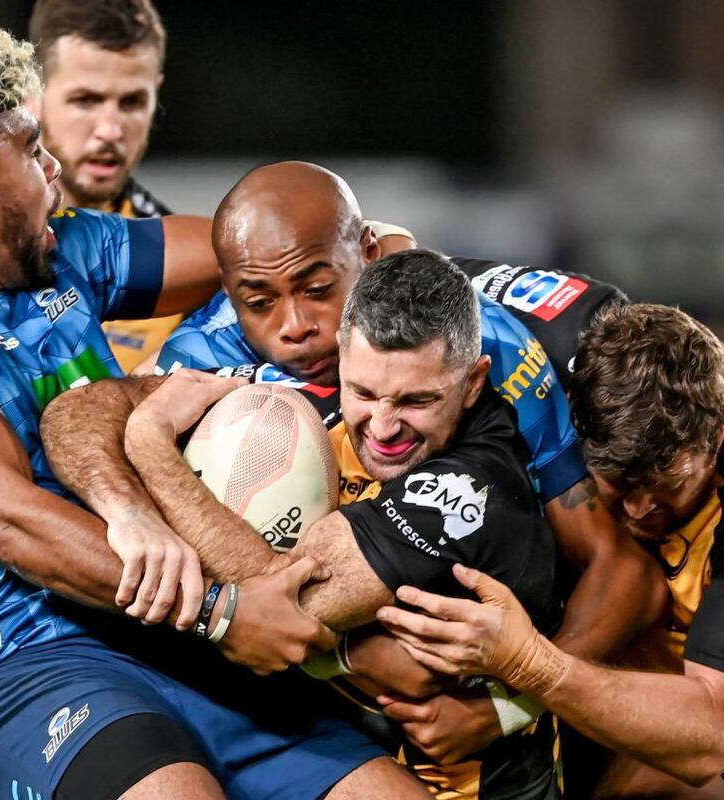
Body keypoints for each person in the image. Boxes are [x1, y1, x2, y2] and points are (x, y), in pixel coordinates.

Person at [44, 163, 664, 795]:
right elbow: (76, 413)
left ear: (366, 252)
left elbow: (621, 571)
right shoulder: (207, 354)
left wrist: (514, 706)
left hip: (471, 726)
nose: (293, 325)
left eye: (317, 289)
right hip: (295, 716)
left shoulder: (487, 351)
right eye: (258, 301)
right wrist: (130, 507)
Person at [0, 29, 427, 800]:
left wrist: (368, 249)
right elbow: (11, 522)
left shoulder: (66, 254)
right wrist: (223, 613)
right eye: (31, 147)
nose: (54, 163)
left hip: (167, 631)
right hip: (37, 658)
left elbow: (259, 248)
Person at [76, 249, 572, 798]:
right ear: (341, 354)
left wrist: (150, 444)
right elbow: (72, 416)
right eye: (362, 392)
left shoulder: (475, 489)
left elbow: (280, 606)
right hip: (327, 745)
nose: (383, 427)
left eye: (418, 400)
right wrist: (128, 507)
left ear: (474, 382)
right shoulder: (292, 397)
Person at [377, 303, 724, 799]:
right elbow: (384, 258)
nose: (639, 509)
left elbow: (709, 739)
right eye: (619, 481)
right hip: (650, 690)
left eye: (666, 486)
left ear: (721, 430)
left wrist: (526, 669)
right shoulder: (565, 330)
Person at [29, 0, 182, 372]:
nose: (111, 130)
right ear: (32, 95)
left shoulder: (181, 266)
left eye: (132, 102)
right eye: (86, 100)